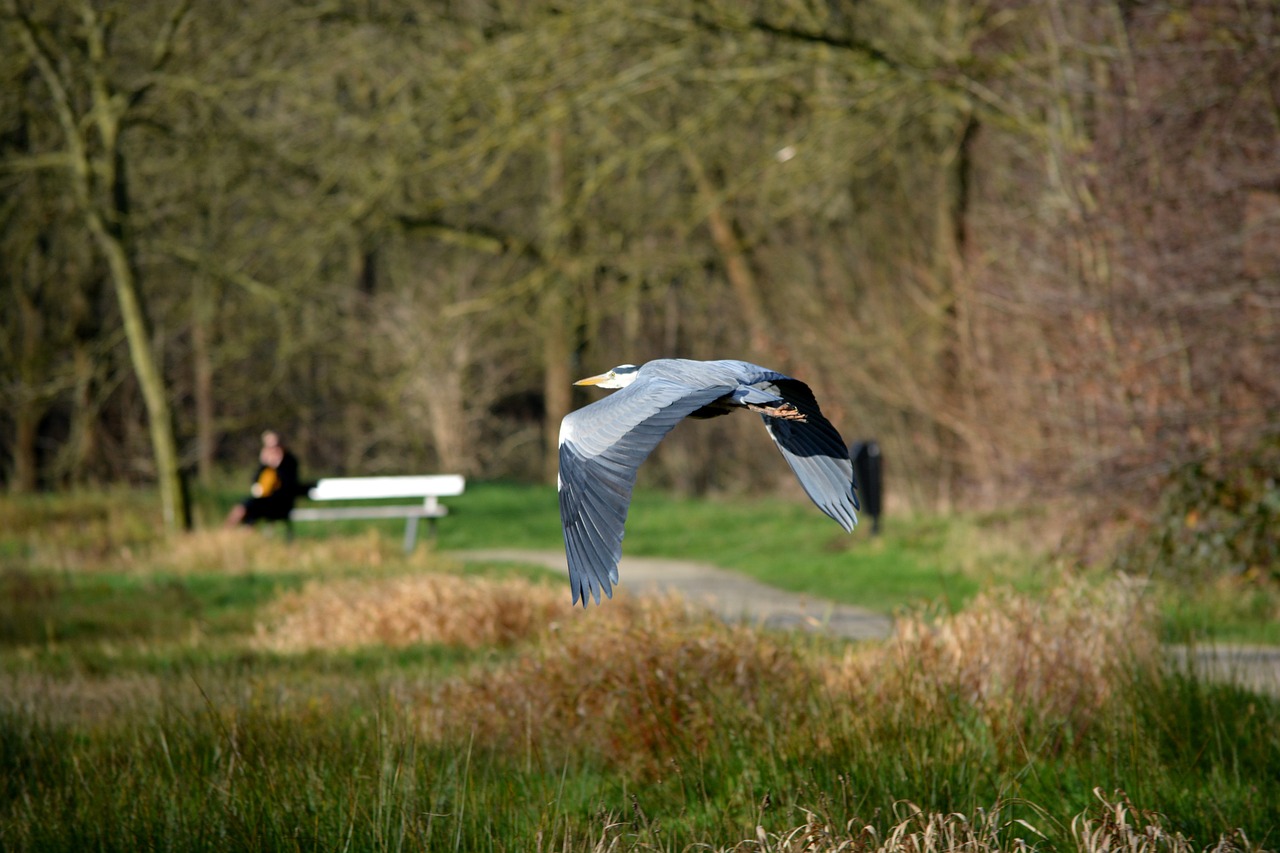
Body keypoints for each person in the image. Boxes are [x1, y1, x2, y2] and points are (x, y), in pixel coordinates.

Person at [225, 430, 301, 527]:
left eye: (274, 446)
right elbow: (255, 480)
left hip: (281, 502)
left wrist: (276, 464)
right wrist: (264, 463)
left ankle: (234, 535)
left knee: (250, 508)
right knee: (242, 507)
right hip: (264, 500)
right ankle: (227, 535)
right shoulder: (266, 464)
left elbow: (287, 484)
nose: (272, 450)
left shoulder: (289, 462)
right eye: (268, 447)